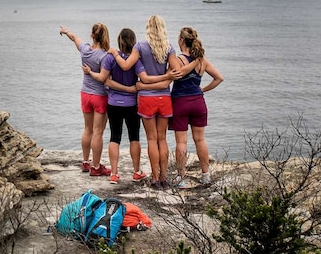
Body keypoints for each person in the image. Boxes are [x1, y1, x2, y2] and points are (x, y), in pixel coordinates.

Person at [108, 15, 188, 188]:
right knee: (163, 139)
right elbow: (177, 72)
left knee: (152, 140)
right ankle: (164, 177)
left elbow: (126, 66)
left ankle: (155, 178)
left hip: (147, 99)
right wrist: (166, 77)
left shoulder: (140, 47)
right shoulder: (169, 48)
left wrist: (114, 53)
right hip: (164, 98)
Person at [83, 28, 146, 184]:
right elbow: (142, 80)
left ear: (119, 41)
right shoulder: (135, 60)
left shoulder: (110, 57)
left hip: (113, 103)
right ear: (134, 42)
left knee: (114, 137)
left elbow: (105, 80)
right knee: (134, 137)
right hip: (131, 103)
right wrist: (133, 88)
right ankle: (137, 171)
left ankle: (114, 174)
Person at [170, 27, 223, 187]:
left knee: (181, 142)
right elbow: (219, 78)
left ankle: (181, 177)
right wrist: (203, 89)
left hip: (180, 102)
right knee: (200, 139)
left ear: (181, 40)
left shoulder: (178, 60)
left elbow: (170, 77)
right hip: (198, 102)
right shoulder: (201, 60)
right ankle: (205, 175)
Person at [59, 24, 112, 177]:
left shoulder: (85, 50)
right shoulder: (105, 56)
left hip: (85, 94)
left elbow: (74, 38)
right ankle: (96, 167)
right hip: (100, 96)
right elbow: (105, 78)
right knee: (98, 132)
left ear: (92, 35)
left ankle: (85, 162)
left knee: (87, 129)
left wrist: (66, 30)